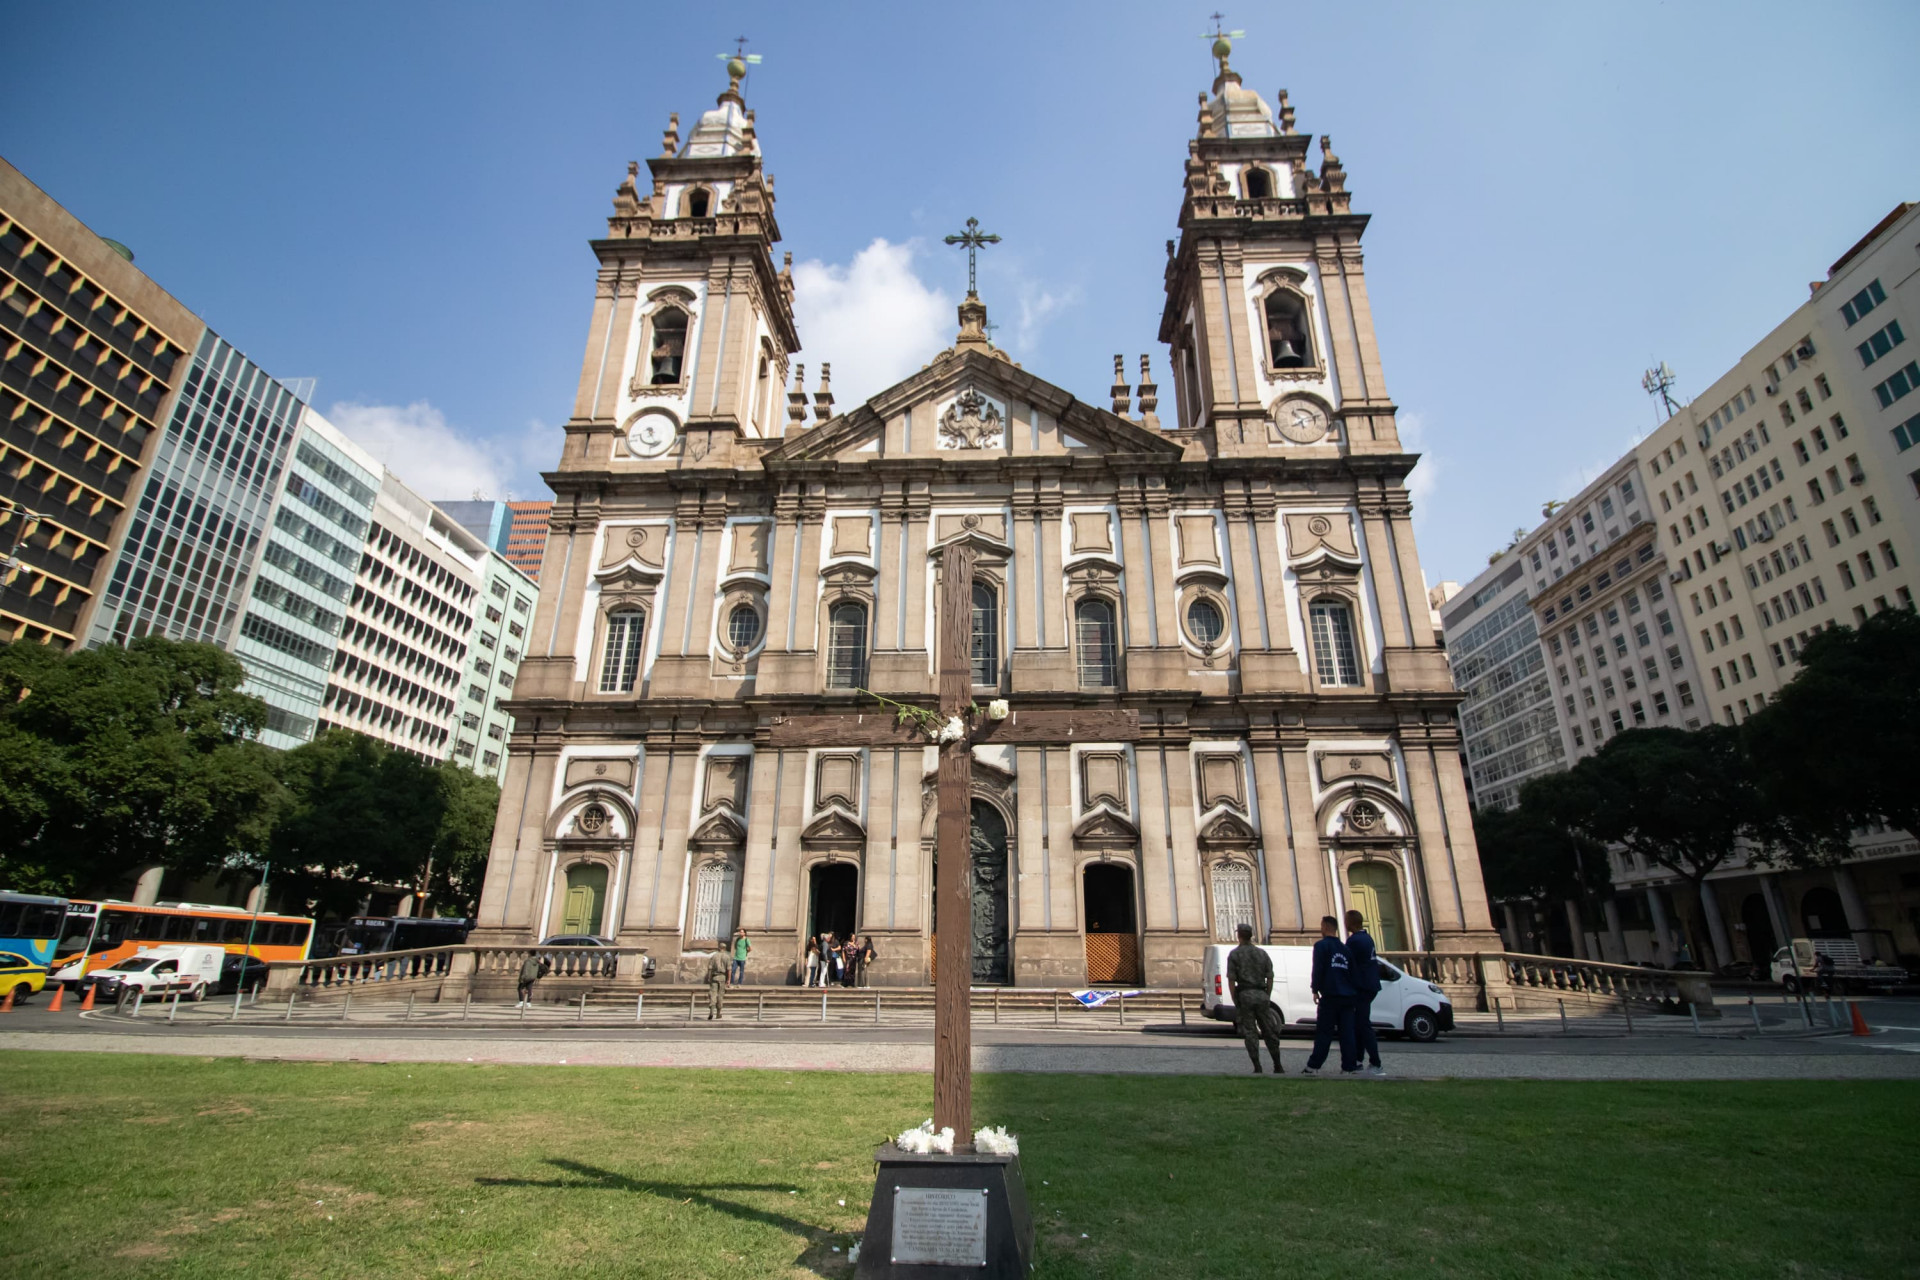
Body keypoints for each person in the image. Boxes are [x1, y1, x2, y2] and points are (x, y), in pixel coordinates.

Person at [1225, 922, 1284, 1074]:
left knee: (1250, 1032)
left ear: (1239, 935)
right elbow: (1270, 977)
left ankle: (1257, 1066)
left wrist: (1235, 999)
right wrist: (1267, 995)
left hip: (1245, 995)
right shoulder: (1261, 953)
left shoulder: (1234, 954)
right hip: (1261, 994)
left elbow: (1231, 980)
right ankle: (1277, 1064)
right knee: (1269, 1031)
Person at [1303, 915, 1358, 1076]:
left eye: (1321, 926)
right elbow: (1353, 973)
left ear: (1326, 927)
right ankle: (1349, 1067)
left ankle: (1314, 1066)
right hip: (1347, 996)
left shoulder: (1321, 946)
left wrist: (1315, 989)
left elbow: (1318, 968)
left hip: (1331, 995)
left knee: (1324, 1033)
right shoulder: (1345, 949)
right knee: (1347, 1033)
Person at [1345, 909, 1384, 1076]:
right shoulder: (1367, 938)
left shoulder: (1354, 941)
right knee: (1359, 1024)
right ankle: (1358, 1060)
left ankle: (1375, 1062)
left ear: (1351, 922)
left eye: (1346, 920)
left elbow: (1348, 963)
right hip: (1370, 986)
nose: (1345, 923)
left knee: (1363, 1025)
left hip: (1361, 987)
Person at [705, 948, 727, 1019]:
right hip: (722, 977)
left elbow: (710, 968)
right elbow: (729, 969)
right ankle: (718, 1013)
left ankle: (711, 1011)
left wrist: (709, 977)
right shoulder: (727, 956)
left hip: (714, 977)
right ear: (725, 948)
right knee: (720, 995)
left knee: (713, 994)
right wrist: (729, 980)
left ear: (719, 949)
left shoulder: (714, 956)